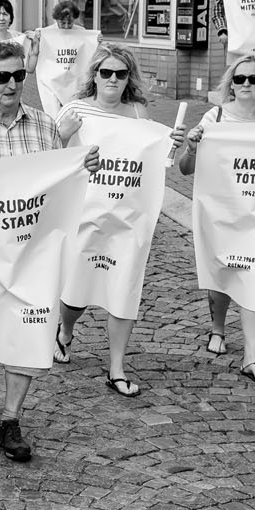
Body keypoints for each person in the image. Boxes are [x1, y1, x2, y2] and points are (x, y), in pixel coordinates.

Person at [0, 41, 100, 462]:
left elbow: (58, 182)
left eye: (19, 75)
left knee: (27, 330)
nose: (11, 84)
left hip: (31, 252)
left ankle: (10, 419)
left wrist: (82, 168)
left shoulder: (45, 127)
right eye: (1, 77)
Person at [172, 54, 255, 386]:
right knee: (224, 273)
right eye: (240, 79)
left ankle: (251, 357)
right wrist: (192, 147)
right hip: (223, 212)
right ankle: (217, 328)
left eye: (254, 79)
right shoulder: (215, 117)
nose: (246, 84)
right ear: (231, 83)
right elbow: (185, 169)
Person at [55, 44, 153, 396]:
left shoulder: (138, 113)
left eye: (120, 73)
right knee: (76, 291)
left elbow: (148, 160)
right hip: (85, 215)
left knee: (124, 290)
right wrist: (63, 134)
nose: (113, 79)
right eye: (106, 72)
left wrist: (168, 145)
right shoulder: (75, 110)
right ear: (94, 75)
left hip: (127, 217)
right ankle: (65, 330)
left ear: (129, 78)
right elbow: (49, 160)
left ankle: (117, 368)